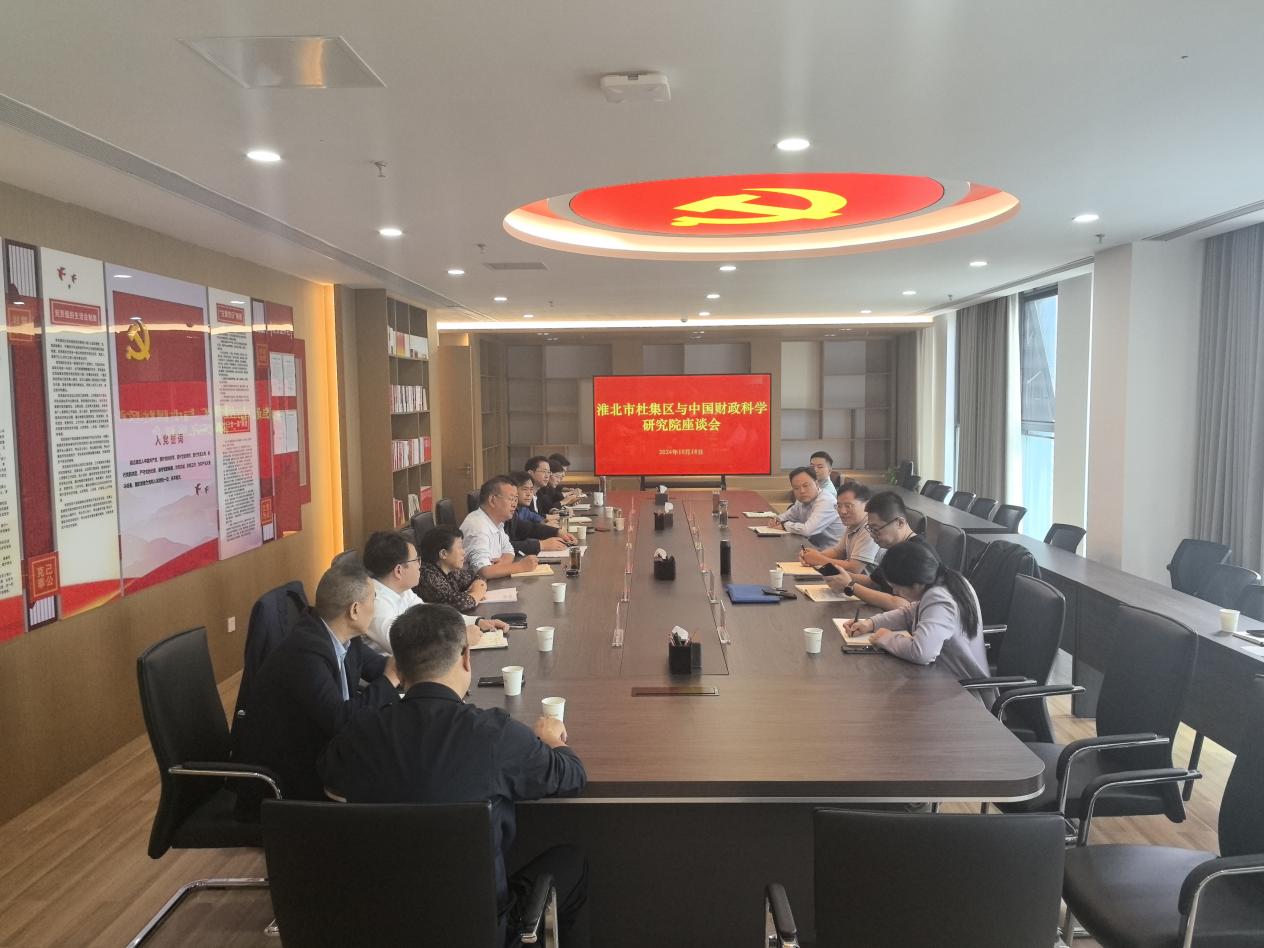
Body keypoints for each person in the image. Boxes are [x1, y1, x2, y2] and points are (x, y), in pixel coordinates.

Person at [320, 604, 590, 946]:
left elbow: (331, 780)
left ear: (398, 668)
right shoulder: (495, 735)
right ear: (466, 657)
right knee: (572, 862)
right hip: (477, 929)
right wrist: (553, 741)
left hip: (380, 923)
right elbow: (572, 776)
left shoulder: (357, 735)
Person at [233, 560, 399, 808]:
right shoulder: (305, 652)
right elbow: (339, 720)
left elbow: (379, 667)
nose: (374, 609)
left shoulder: (345, 637)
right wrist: (391, 679)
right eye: (373, 601)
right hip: (288, 778)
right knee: (390, 779)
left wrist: (414, 666)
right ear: (354, 610)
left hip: (322, 751)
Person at [836, 538, 992, 704]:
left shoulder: (940, 599)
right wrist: (870, 623)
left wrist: (886, 638)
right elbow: (908, 613)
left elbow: (922, 652)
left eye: (896, 586)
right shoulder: (941, 581)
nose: (894, 591)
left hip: (960, 693)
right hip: (940, 679)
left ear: (916, 584)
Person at [361, 530, 504, 652]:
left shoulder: (402, 590)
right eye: (416, 560)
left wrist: (477, 621)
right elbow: (404, 647)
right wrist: (460, 637)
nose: (420, 566)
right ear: (398, 571)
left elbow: (432, 616)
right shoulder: (374, 602)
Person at [825, 490, 935, 611]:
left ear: (899, 523)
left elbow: (902, 604)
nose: (872, 536)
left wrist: (850, 586)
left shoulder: (916, 555)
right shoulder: (896, 548)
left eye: (876, 529)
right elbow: (875, 582)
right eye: (870, 529)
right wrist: (841, 576)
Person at [461, 476, 542, 579]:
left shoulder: (496, 522)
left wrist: (500, 566)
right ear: (492, 500)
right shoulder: (477, 527)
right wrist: (520, 566)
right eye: (511, 499)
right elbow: (484, 571)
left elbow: (509, 550)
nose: (514, 505)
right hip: (474, 586)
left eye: (516, 499)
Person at [799, 480, 880, 575]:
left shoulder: (870, 528)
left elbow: (854, 568)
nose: (842, 511)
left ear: (867, 505)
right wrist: (811, 555)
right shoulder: (853, 524)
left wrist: (818, 559)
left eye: (848, 506)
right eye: (839, 506)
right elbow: (838, 552)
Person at [416, 526, 489, 612]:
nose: (464, 552)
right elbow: (459, 605)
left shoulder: (450, 570)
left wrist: (476, 590)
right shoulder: (427, 576)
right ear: (443, 554)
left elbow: (475, 577)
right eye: (459, 547)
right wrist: (478, 593)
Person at [770, 466, 844, 549]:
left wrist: (784, 525)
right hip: (812, 547)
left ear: (816, 484)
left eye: (805, 486)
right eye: (796, 488)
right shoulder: (802, 500)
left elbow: (807, 530)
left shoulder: (826, 501)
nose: (802, 491)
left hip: (833, 552)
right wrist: (776, 521)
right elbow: (786, 516)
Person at [507, 471, 571, 554]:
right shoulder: (504, 515)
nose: (529, 494)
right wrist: (541, 545)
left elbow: (529, 528)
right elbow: (503, 547)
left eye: (531, 489)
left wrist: (557, 532)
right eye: (524, 489)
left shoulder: (518, 511)